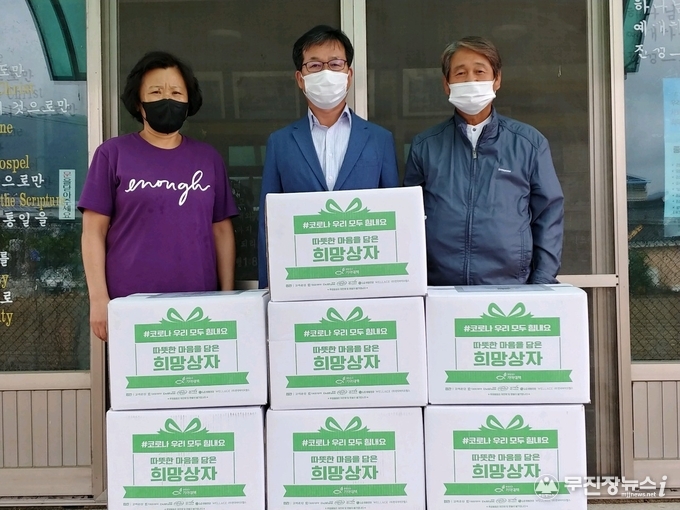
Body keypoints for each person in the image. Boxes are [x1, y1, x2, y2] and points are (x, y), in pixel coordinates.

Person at [79, 51, 238, 341]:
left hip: (199, 306)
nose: (167, 99)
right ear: (138, 102)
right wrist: (98, 299)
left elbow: (222, 231)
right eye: (156, 91)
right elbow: (93, 231)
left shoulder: (208, 158)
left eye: (176, 92)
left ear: (188, 101)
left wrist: (227, 297)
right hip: (129, 305)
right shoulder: (112, 154)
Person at [404, 36, 564, 286]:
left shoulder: (529, 143)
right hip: (441, 288)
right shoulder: (425, 146)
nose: (471, 80)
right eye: (460, 73)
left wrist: (542, 280)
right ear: (446, 84)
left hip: (510, 288)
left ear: (496, 79)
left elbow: (548, 215)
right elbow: (409, 218)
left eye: (480, 71)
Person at [257, 25, 399, 288]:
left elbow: (395, 218)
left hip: (366, 277)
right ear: (300, 78)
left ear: (348, 75)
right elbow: (268, 222)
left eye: (335, 64)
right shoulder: (280, 142)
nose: (325, 73)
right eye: (314, 65)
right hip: (301, 280)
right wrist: (268, 289)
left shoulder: (379, 140)